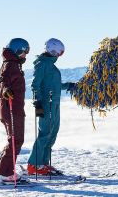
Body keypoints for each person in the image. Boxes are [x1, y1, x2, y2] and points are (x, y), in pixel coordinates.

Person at [27, 38, 76, 175]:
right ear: (53, 50)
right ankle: (33, 165)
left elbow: (54, 85)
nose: (59, 55)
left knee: (52, 133)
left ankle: (43, 163)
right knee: (45, 133)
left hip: (54, 103)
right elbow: (35, 85)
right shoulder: (42, 64)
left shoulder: (51, 66)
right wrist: (37, 103)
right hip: (44, 104)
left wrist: (68, 86)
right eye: (60, 52)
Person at [0, 38, 30, 182]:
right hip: (11, 108)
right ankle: (5, 174)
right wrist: (5, 91)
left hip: (12, 108)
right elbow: (2, 82)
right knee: (15, 140)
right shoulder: (10, 65)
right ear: (16, 50)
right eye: (23, 52)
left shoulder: (12, 64)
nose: (25, 55)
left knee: (15, 140)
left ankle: (5, 171)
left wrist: (3, 91)